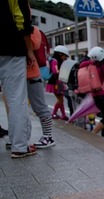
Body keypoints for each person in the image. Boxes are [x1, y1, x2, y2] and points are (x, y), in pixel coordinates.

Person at [0, 0, 37, 158]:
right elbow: (21, 21)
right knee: (16, 98)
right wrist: (29, 49)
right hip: (10, 47)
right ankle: (19, 146)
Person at [79, 46, 104, 139]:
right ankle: (93, 134)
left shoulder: (88, 66)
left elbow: (81, 65)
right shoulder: (103, 67)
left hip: (95, 95)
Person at [26, 26, 55, 148]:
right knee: (20, 108)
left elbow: (34, 44)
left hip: (32, 73)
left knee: (40, 107)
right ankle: (20, 137)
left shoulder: (32, 30)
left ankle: (48, 136)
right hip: (24, 74)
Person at [46, 45, 70, 120]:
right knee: (60, 99)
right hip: (56, 83)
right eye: (65, 56)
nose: (65, 58)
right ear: (60, 54)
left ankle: (63, 115)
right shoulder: (55, 61)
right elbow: (55, 71)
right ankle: (54, 114)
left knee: (61, 99)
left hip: (57, 82)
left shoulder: (56, 61)